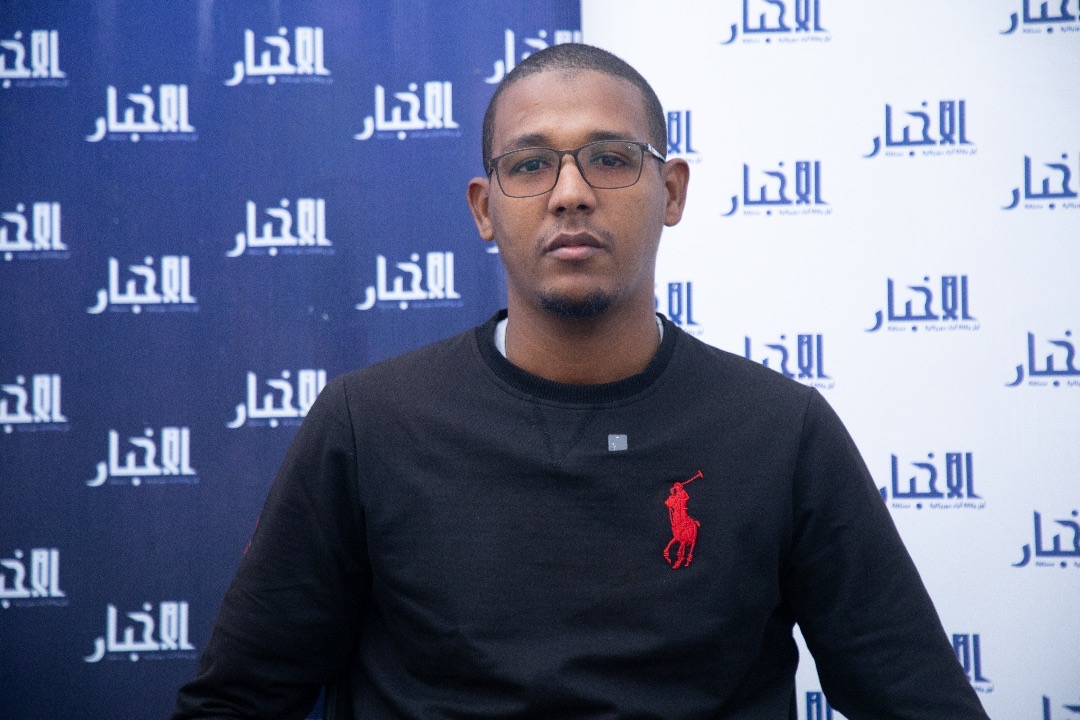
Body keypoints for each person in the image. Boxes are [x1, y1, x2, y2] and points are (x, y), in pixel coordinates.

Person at [173, 44, 990, 720]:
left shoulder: (781, 431)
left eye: (610, 158)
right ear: (484, 208)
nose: (571, 194)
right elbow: (237, 702)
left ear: (671, 192)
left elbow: (919, 700)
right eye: (530, 164)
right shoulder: (369, 424)